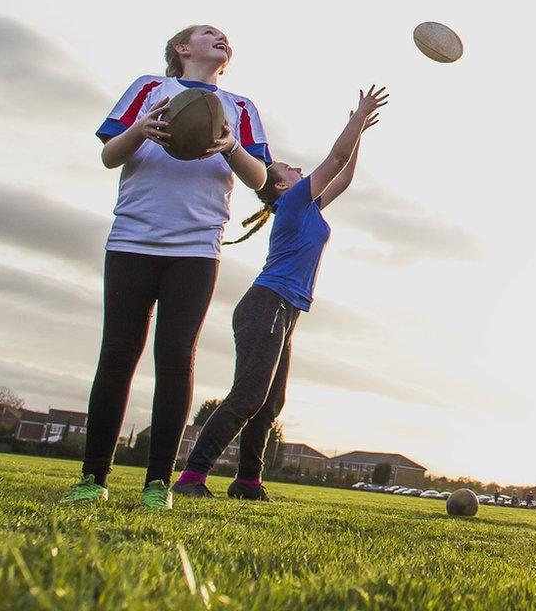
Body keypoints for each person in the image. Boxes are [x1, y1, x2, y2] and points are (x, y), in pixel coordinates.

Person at [62, 25, 270, 509]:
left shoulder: (240, 107)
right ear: (182, 49)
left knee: (176, 355)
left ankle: (158, 483)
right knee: (118, 352)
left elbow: (260, 177)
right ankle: (93, 477)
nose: (221, 38)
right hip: (133, 238)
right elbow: (109, 156)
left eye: (225, 37)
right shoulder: (149, 88)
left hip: (196, 248)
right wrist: (140, 130)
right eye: (207, 33)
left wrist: (231, 147)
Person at [174, 86, 387, 501]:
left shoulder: (306, 207)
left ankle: (248, 482)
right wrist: (357, 117)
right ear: (280, 187)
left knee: (270, 402)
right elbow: (335, 160)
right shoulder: (291, 206)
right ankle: (191, 477)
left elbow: (345, 176)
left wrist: (359, 130)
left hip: (284, 311)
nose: (299, 170)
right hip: (266, 305)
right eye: (291, 169)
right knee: (249, 395)